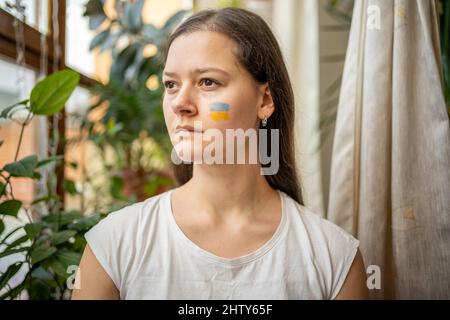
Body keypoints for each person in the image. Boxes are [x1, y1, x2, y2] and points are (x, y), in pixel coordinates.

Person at [71, 7, 368, 300]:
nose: (180, 104)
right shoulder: (112, 245)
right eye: (171, 84)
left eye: (208, 82)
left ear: (264, 100)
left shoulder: (334, 259)